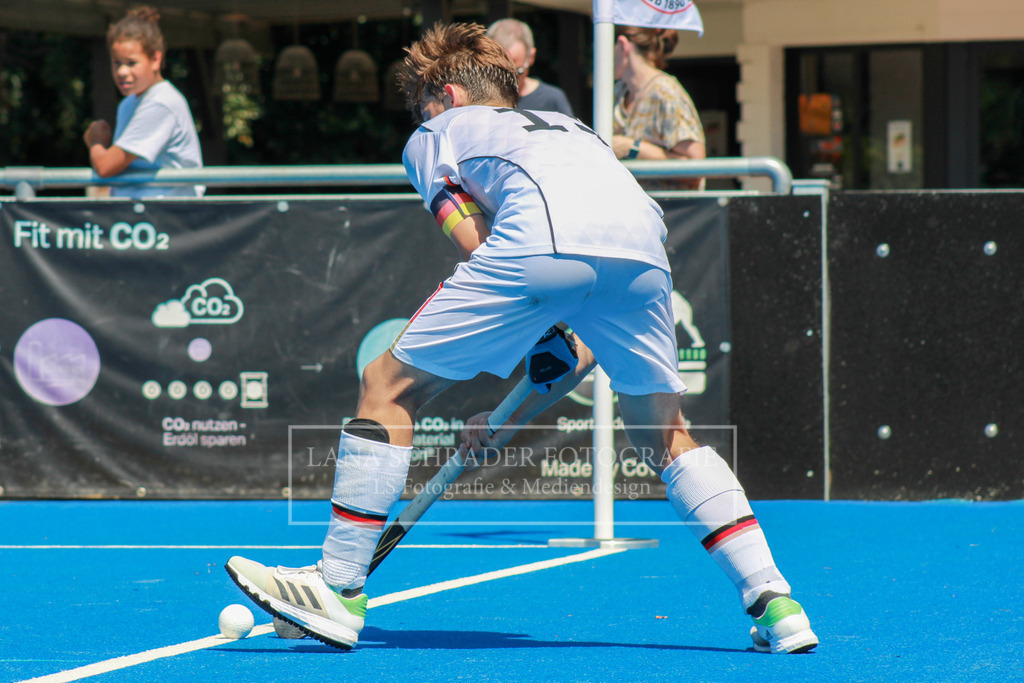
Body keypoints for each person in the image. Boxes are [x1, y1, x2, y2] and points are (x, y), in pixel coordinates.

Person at [225, 22, 817, 655]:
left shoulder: (435, 135)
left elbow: (475, 243)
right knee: (668, 434)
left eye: (426, 107)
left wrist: (540, 323)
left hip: (541, 244)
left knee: (385, 385)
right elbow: (575, 351)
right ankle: (777, 602)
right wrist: (508, 412)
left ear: (446, 96)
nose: (425, 118)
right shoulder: (577, 132)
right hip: (646, 256)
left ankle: (337, 588)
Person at [82, 6, 203, 198]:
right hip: (139, 217)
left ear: (155, 59)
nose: (122, 72)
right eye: (116, 62)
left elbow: (105, 167)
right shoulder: (128, 103)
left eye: (131, 63)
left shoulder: (161, 102)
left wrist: (95, 142)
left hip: (168, 218)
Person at [611, 26, 705, 191]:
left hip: (668, 212)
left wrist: (632, 148)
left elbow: (696, 171)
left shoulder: (666, 92)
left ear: (622, 45)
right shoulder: (617, 93)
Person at [486, 18, 574, 117]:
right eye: (500, 72)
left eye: (518, 72)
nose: (509, 80)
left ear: (531, 57)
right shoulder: (478, 100)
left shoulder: (552, 99)